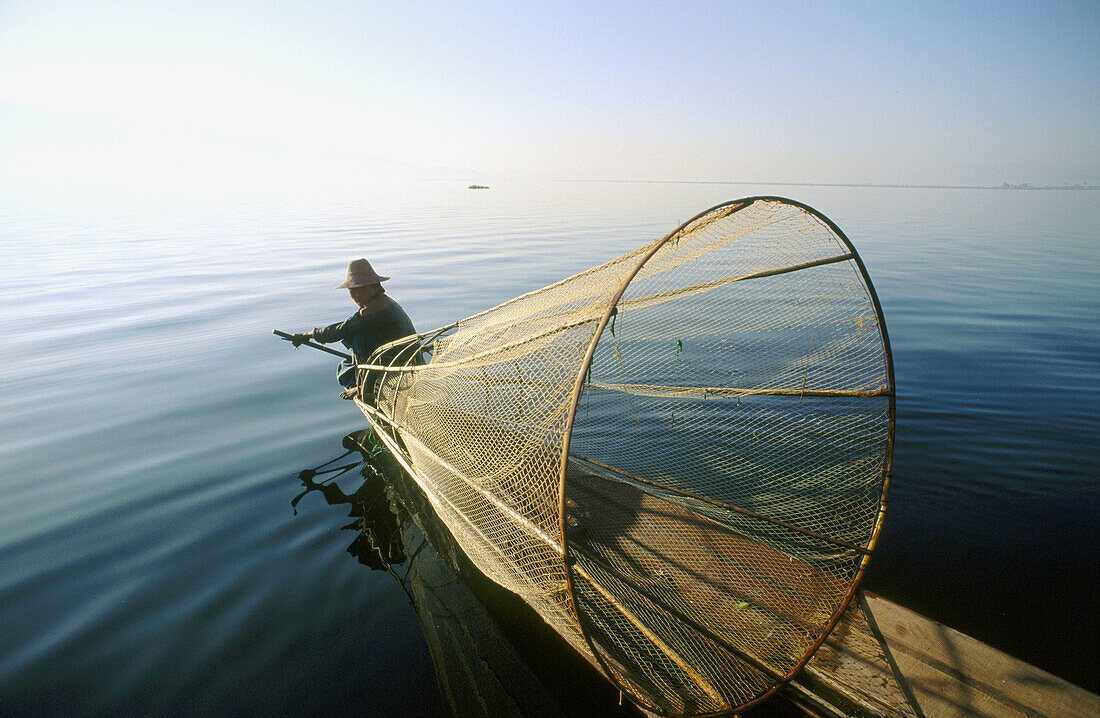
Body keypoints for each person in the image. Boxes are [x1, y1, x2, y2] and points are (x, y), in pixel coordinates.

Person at [292, 259, 416, 399]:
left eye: (362, 289)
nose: (357, 295)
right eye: (353, 290)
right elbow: (347, 326)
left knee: (360, 337)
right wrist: (309, 335)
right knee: (346, 366)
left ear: (374, 287)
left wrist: (307, 335)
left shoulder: (376, 308)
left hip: (402, 361)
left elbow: (340, 331)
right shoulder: (381, 302)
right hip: (396, 356)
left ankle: (365, 387)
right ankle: (366, 380)